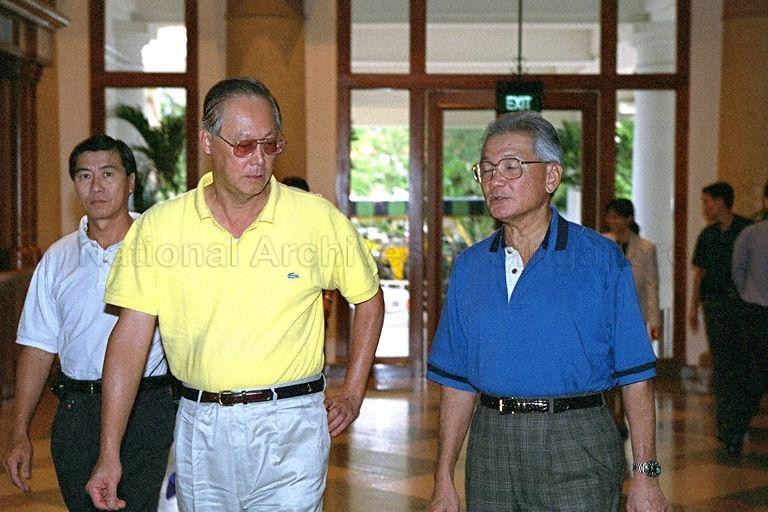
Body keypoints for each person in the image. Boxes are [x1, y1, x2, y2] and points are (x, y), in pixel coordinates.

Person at [86, 77, 384, 511]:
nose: (259, 160)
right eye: (244, 145)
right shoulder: (161, 227)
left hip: (291, 422)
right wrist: (109, 451)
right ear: (208, 141)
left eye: (270, 144)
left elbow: (369, 298)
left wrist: (354, 391)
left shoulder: (316, 220)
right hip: (200, 424)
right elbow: (130, 339)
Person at [426, 111, 666, 512]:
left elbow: (636, 377)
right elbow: (457, 382)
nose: (494, 180)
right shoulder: (469, 266)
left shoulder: (601, 260)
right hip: (491, 445)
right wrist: (442, 478)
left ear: (551, 177)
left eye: (510, 167)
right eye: (485, 169)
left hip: (576, 439)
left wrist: (646, 474)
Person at [3, 135, 175, 511]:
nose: (96, 186)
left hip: (147, 413)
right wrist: (18, 431)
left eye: (108, 173)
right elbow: (37, 346)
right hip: (77, 415)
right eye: (84, 176)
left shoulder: (162, 250)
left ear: (131, 182)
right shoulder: (58, 258)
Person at [688, 182, 753, 456]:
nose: (706, 207)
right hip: (715, 306)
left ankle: (738, 421)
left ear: (722, 202)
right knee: (724, 365)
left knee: (744, 365)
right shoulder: (707, 235)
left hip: (743, 306)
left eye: (709, 201)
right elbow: (699, 274)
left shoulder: (747, 230)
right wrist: (693, 308)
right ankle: (727, 426)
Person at [602, 198, 661, 438]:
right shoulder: (602, 242)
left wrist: (654, 321)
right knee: (607, 370)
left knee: (628, 370)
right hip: (605, 318)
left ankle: (622, 417)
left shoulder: (646, 248)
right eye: (609, 217)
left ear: (628, 218)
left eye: (616, 216)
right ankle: (611, 416)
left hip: (633, 318)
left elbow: (651, 286)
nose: (612, 222)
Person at [731, 212, 768, 451]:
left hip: (754, 313)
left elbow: (738, 271)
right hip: (755, 314)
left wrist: (748, 294)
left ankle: (735, 435)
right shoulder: (751, 232)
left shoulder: (750, 233)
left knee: (750, 379)